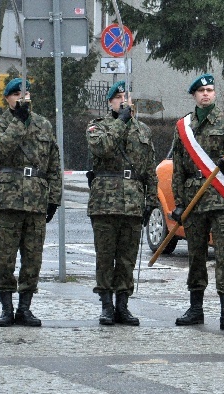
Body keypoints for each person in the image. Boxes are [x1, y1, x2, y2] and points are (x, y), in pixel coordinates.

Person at [170, 73, 224, 332]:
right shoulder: (184, 126)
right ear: (194, 95)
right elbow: (178, 167)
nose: (206, 94)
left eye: (210, 90)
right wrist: (179, 202)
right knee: (196, 256)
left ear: (215, 94)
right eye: (201, 90)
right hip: (195, 198)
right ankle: (196, 308)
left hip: (221, 197)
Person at [0, 78, 62, 327]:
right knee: (5, 257)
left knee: (33, 258)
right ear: (7, 98)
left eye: (26, 92)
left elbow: (53, 164)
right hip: (7, 199)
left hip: (36, 200)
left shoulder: (43, 124)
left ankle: (25, 308)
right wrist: (19, 121)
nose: (22, 96)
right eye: (16, 93)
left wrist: (54, 199)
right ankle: (6, 308)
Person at [86, 80, 159, 326]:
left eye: (126, 98)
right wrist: (121, 121)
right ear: (110, 102)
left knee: (127, 258)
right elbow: (103, 148)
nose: (123, 101)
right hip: (105, 203)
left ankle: (123, 305)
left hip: (133, 203)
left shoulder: (143, 131)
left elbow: (150, 169)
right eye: (118, 98)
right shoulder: (98, 127)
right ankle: (106, 306)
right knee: (105, 257)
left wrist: (151, 201)